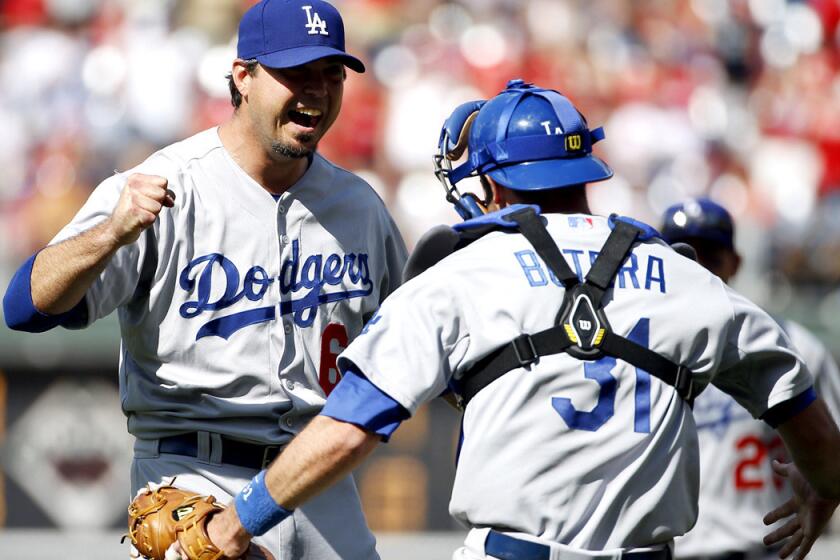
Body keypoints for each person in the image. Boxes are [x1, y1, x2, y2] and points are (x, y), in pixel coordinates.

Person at [183, 79, 839, 560]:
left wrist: (238, 522)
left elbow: (350, 429)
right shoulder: (691, 281)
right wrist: (824, 496)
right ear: (585, 173)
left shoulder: (461, 277)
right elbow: (806, 415)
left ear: (493, 186)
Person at [2, 0, 407, 558]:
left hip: (321, 482)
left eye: (330, 75)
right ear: (242, 77)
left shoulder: (359, 206)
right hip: (197, 477)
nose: (316, 91)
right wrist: (109, 235)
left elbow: (409, 346)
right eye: (296, 74)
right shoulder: (167, 185)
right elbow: (25, 308)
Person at [659, 198, 840, 560]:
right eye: (682, 254)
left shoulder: (795, 346)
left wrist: (826, 484)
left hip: (764, 548)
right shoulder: (647, 348)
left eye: (710, 253)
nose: (697, 266)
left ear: (736, 262)